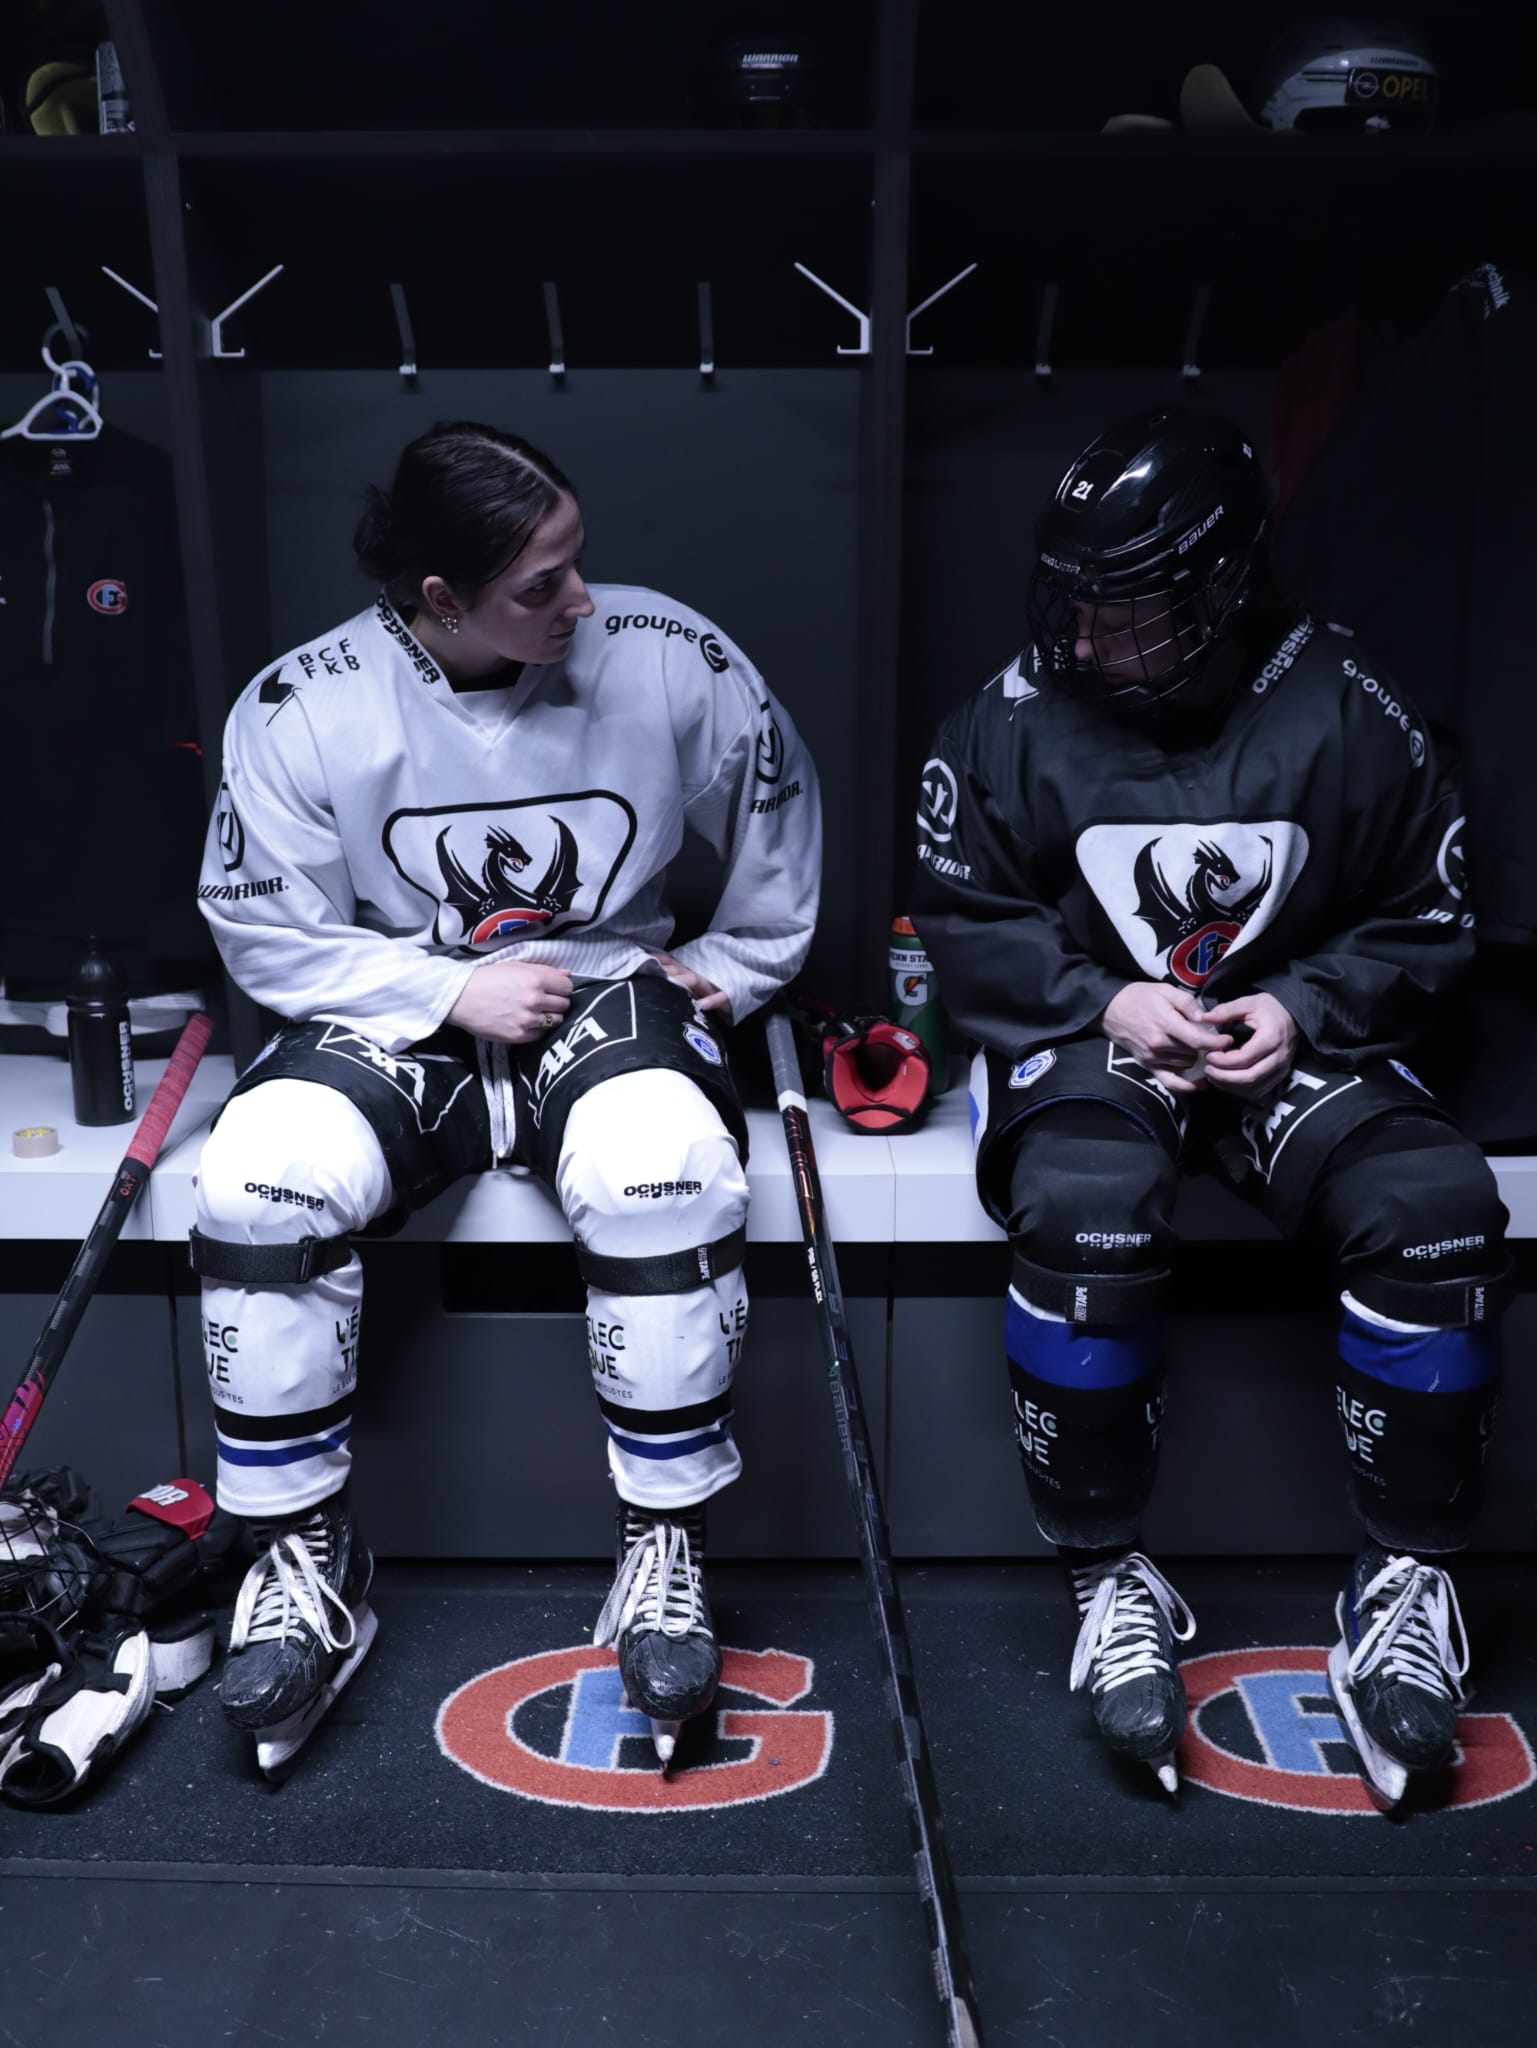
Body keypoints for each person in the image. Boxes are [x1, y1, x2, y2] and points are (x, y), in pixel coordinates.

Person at [191, 421, 821, 1775]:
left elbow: (775, 842)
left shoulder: (670, 660)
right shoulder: (309, 705)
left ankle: (664, 1544)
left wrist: (719, 973)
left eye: (578, 560)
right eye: (541, 583)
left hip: (600, 984)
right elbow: (262, 932)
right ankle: (303, 1553)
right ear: (438, 597)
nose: (578, 600)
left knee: (659, 1166)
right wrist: (441, 997)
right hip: (397, 996)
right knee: (258, 1180)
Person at [908, 406, 1507, 1808]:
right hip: (1101, 1035)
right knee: (1086, 1212)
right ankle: (1108, 1574)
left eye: (1126, 608)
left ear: (1222, 584)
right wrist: (1096, 1000)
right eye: (1072, 601)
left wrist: (1303, 1004)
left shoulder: (1354, 707)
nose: (1085, 638)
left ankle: (1406, 1583)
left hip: (1275, 1036)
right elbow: (961, 907)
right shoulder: (1004, 720)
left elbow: (1429, 915)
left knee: (1432, 1213)